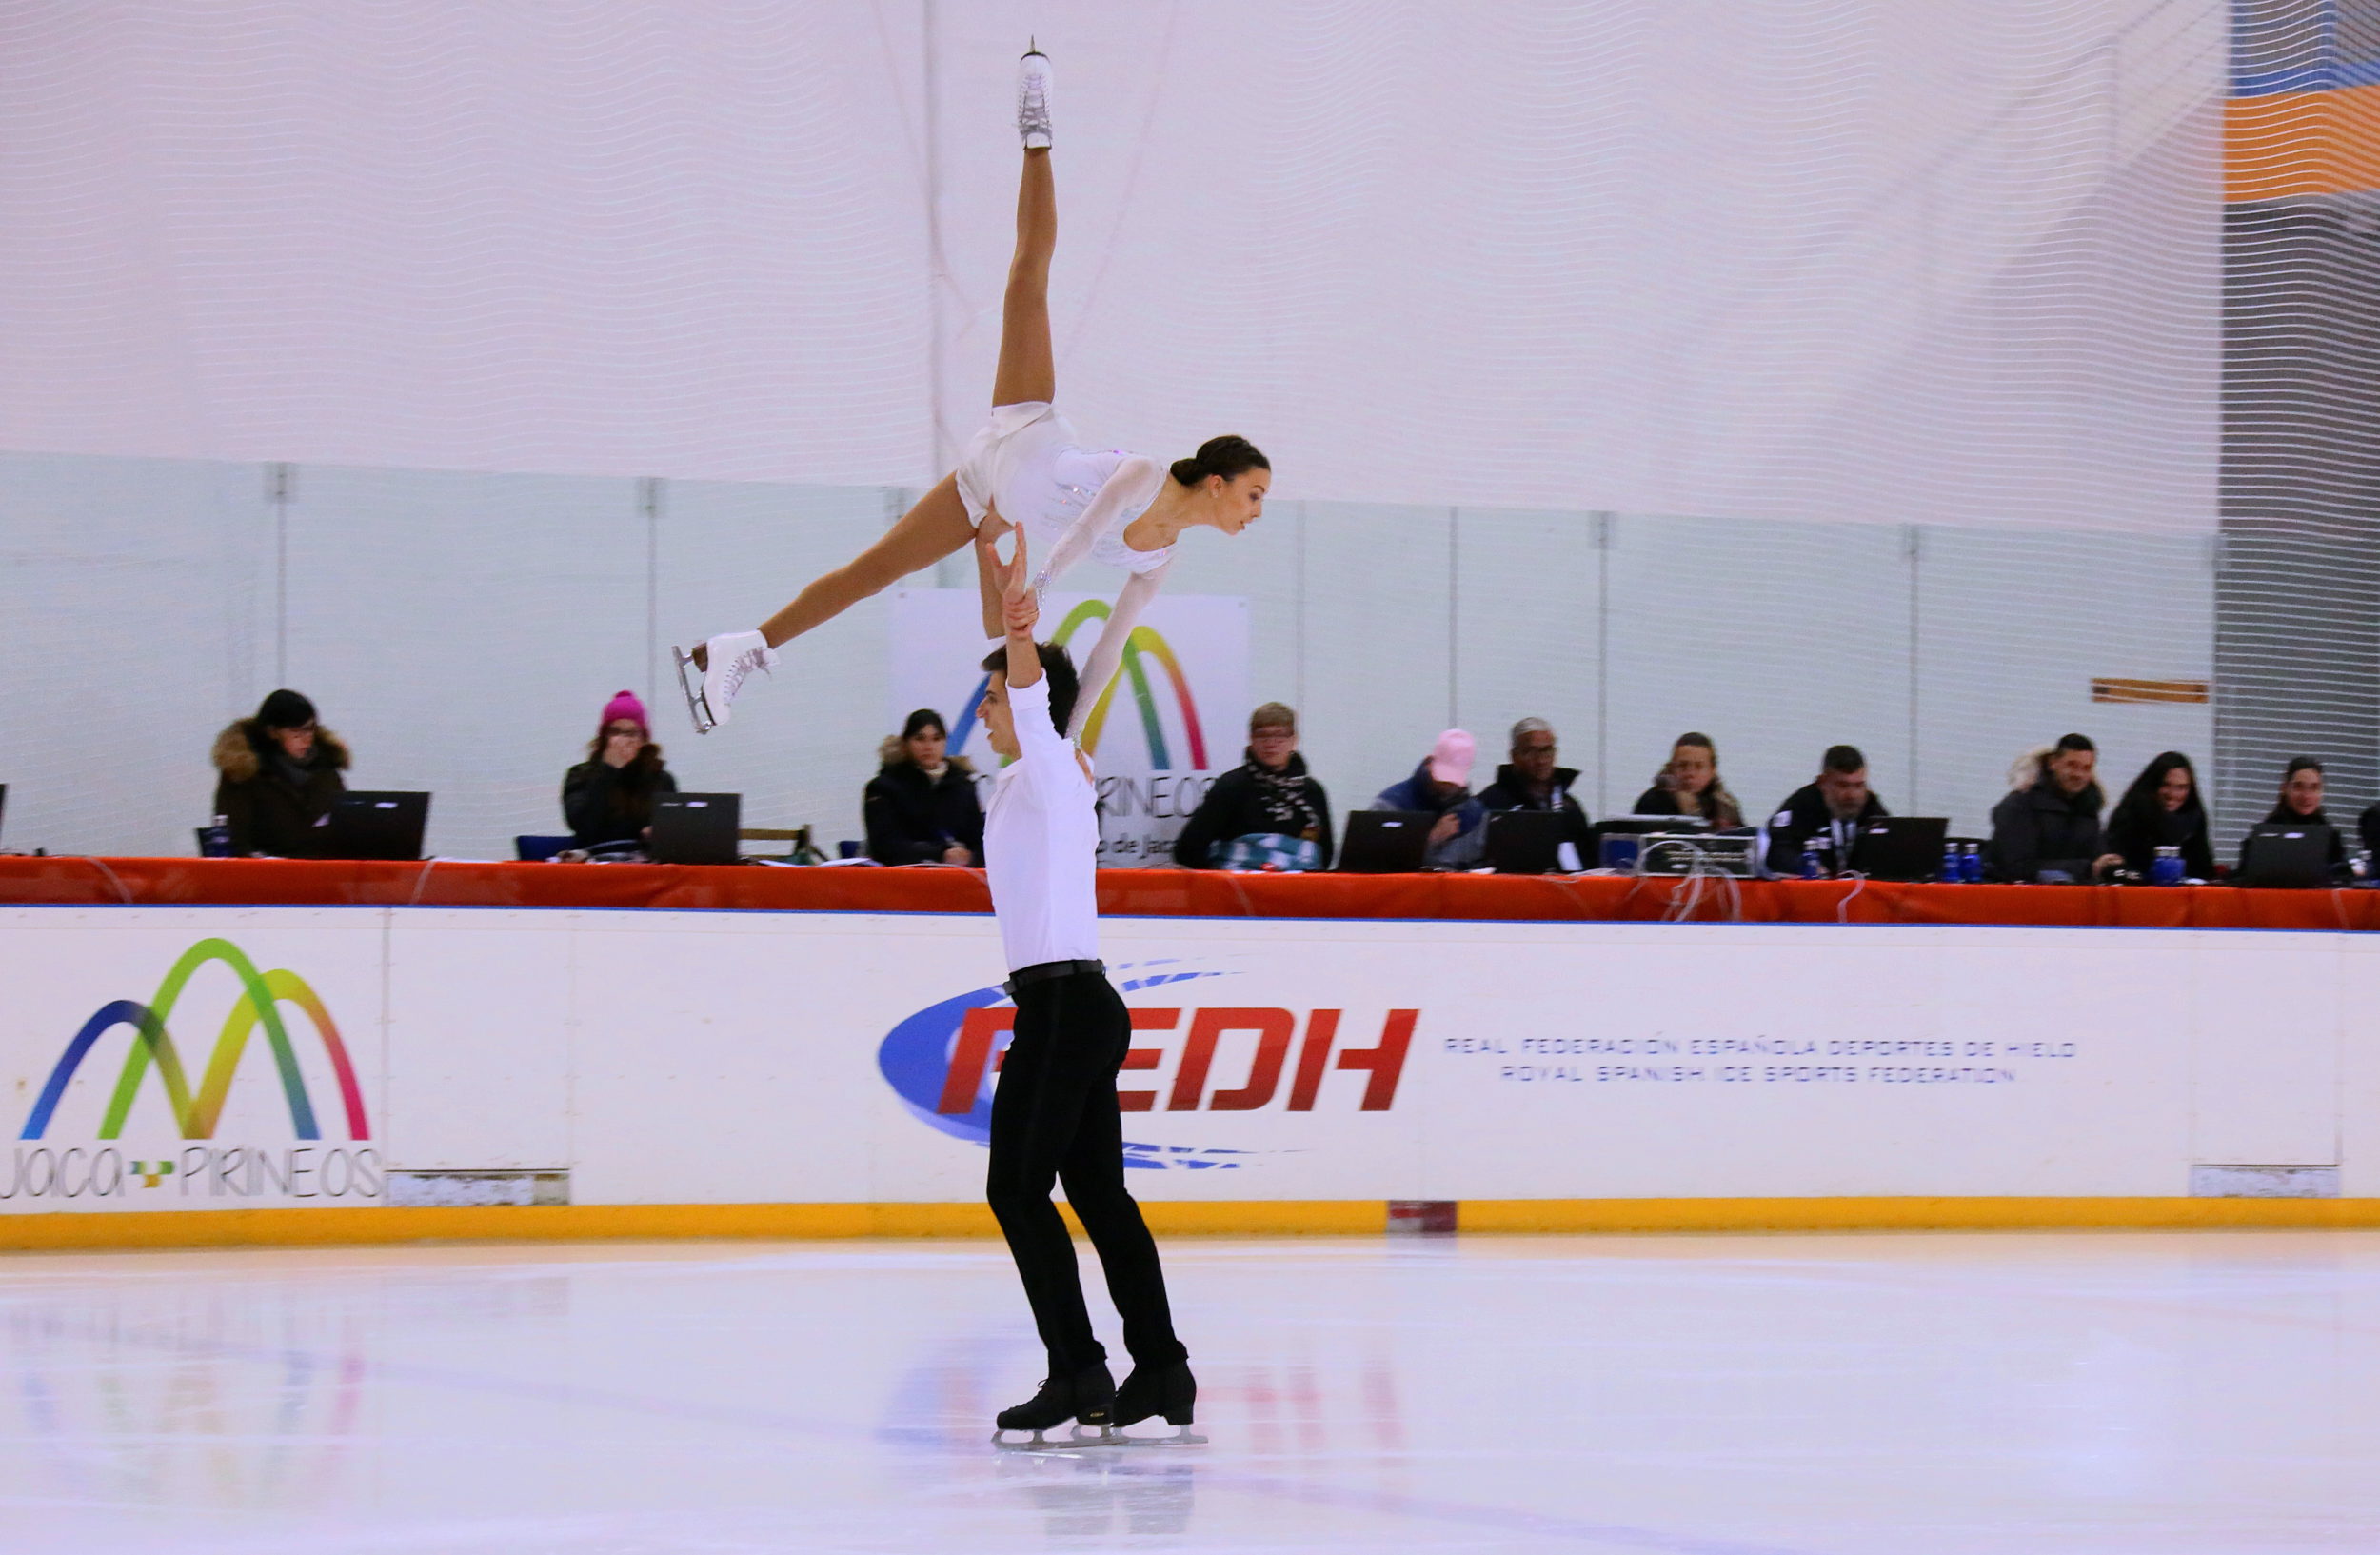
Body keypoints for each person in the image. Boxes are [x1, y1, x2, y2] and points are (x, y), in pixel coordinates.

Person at [677, 45, 1269, 742]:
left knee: (875, 574)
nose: (1256, 511)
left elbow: (1108, 652)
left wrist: (1069, 740)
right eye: (1255, 494)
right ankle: (1037, 132)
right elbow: (1084, 529)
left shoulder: (1156, 563)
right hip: (1028, 424)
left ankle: (738, 647)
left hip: (987, 498)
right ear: (1219, 481)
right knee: (1028, 276)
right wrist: (1041, 581)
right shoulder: (1144, 474)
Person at [973, 523, 1193, 1444]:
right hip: (1075, 1005)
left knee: (1017, 1191)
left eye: (992, 696)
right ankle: (1161, 1369)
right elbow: (1071, 685)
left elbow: (1038, 695)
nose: (984, 710)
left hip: (1066, 1009)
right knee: (1097, 1193)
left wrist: (1021, 625)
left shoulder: (1054, 768)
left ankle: (1079, 1371)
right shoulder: (1047, 776)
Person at [1171, 703, 1333, 870]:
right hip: (1237, 888)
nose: (1271, 743)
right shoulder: (1230, 786)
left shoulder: (1312, 791)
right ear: (1251, 739)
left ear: (1294, 740)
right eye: (1262, 736)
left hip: (1297, 889)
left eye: (1280, 735)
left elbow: (1323, 856)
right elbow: (1188, 849)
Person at [209, 688, 348, 858]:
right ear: (273, 732)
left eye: (310, 730)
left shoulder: (326, 769)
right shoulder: (243, 774)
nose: (307, 739)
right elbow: (233, 841)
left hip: (325, 874)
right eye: (297, 733)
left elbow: (344, 825)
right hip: (267, 877)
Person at [1989, 734, 2122, 883]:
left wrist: (2107, 865)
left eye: (2086, 768)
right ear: (2053, 763)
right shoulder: (2020, 806)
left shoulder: (2088, 810)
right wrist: (2086, 869)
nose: (2079, 774)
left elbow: (2097, 858)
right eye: (2071, 765)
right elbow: (2016, 867)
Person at [863, 709, 983, 866]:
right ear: (905, 743)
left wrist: (972, 857)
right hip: (905, 877)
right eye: (920, 738)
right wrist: (941, 853)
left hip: (960, 876)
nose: (929, 746)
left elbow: (979, 839)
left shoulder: (963, 785)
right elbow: (885, 845)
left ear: (945, 742)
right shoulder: (882, 788)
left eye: (936, 738)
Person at [562, 691, 678, 850]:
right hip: (597, 863)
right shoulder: (581, 775)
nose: (623, 741)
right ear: (604, 737)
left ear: (643, 739)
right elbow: (583, 826)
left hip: (645, 865)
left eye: (631, 733)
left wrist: (655, 834)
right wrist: (608, 771)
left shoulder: (660, 779)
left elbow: (672, 829)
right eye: (615, 732)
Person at [1476, 718, 1594, 861]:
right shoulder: (1491, 802)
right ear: (1514, 756)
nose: (1541, 760)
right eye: (1531, 752)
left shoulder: (1569, 807)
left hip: (1565, 882)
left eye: (1547, 750)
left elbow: (1588, 861)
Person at [1762, 745, 1886, 875]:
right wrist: (1804, 865)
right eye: (1843, 786)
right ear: (1822, 783)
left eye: (1859, 785)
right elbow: (1776, 848)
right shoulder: (1802, 804)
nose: (1852, 795)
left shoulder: (1872, 807)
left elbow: (1892, 847)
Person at [1373, 730, 1487, 869]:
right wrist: (1429, 840)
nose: (1449, 784)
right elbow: (1374, 864)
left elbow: (1483, 864)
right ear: (1429, 763)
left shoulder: (1475, 813)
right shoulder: (1390, 805)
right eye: (1444, 775)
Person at [2105, 751, 2215, 881]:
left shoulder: (2195, 818)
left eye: (2181, 787)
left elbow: (2203, 869)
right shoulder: (2130, 817)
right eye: (2166, 785)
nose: (2173, 794)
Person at [2242, 756, 2348, 874]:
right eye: (2298, 787)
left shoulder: (2331, 837)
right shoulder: (2262, 837)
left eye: (2314, 788)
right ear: (2284, 788)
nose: (2306, 796)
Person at [1630, 732, 1745, 827]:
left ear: (1712, 771)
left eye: (1699, 767)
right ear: (1671, 768)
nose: (1690, 773)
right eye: (1682, 765)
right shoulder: (1652, 801)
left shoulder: (1727, 806)